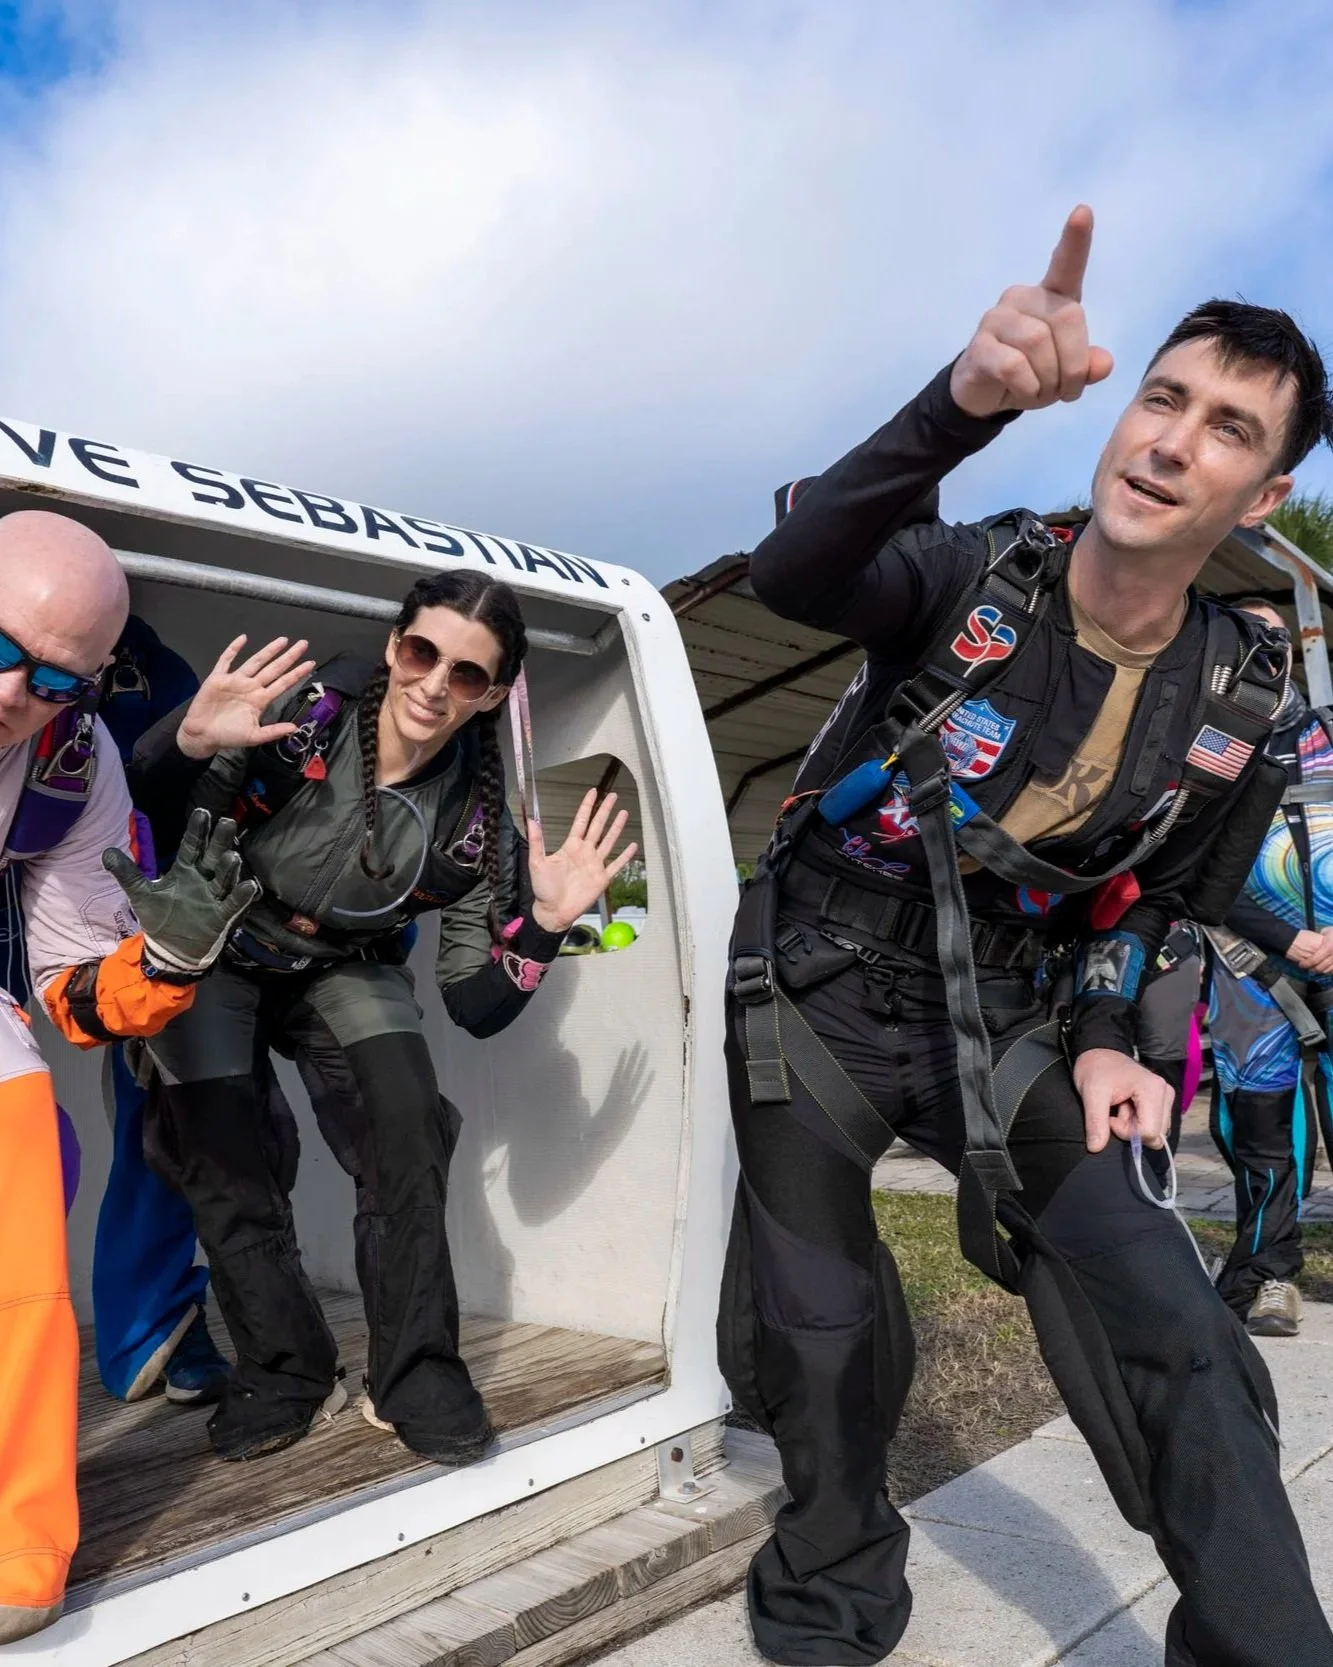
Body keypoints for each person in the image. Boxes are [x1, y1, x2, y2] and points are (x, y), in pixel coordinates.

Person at [719, 206, 1333, 1666]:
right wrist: (963, 401)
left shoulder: (1244, 699)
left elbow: (1180, 899)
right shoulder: (972, 572)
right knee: (817, 1327)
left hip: (1016, 1015)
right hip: (816, 982)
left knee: (1178, 1324)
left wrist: (1121, 1035)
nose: (1173, 440)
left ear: (1263, 493)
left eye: (1226, 428)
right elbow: (792, 571)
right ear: (1122, 416)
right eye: (1162, 398)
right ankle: (830, 1597)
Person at [129, 570, 636, 1465]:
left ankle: (414, 1373)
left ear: (495, 694)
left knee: (406, 1122)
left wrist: (548, 928)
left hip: (342, 963)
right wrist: (186, 738)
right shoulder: (310, 709)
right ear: (396, 643)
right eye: (422, 651)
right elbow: (154, 802)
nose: (436, 684)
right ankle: (285, 1367)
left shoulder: (480, 824)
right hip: (220, 940)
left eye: (468, 674)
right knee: (220, 1147)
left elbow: (476, 1006)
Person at [0, 511, 261, 1643]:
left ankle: (18, 1545)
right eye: (0, 646)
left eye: (54, 675)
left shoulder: (75, 758)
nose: (14, 691)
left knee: (26, 1181)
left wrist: (159, 963)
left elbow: (66, 979)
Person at [0, 614, 231, 1405]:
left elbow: (203, 797)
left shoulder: (165, 668)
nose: (22, 686)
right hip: (105, 922)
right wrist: (182, 740)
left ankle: (163, 1320)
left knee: (187, 1130)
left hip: (167, 931)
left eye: (61, 674)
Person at [1204, 597, 1333, 1337]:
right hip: (1250, 970)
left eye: (1273, 637)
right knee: (1261, 1130)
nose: (1263, 650)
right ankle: (1267, 1275)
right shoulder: (1203, 751)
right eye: (1245, 637)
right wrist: (1285, 943)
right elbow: (1184, 868)